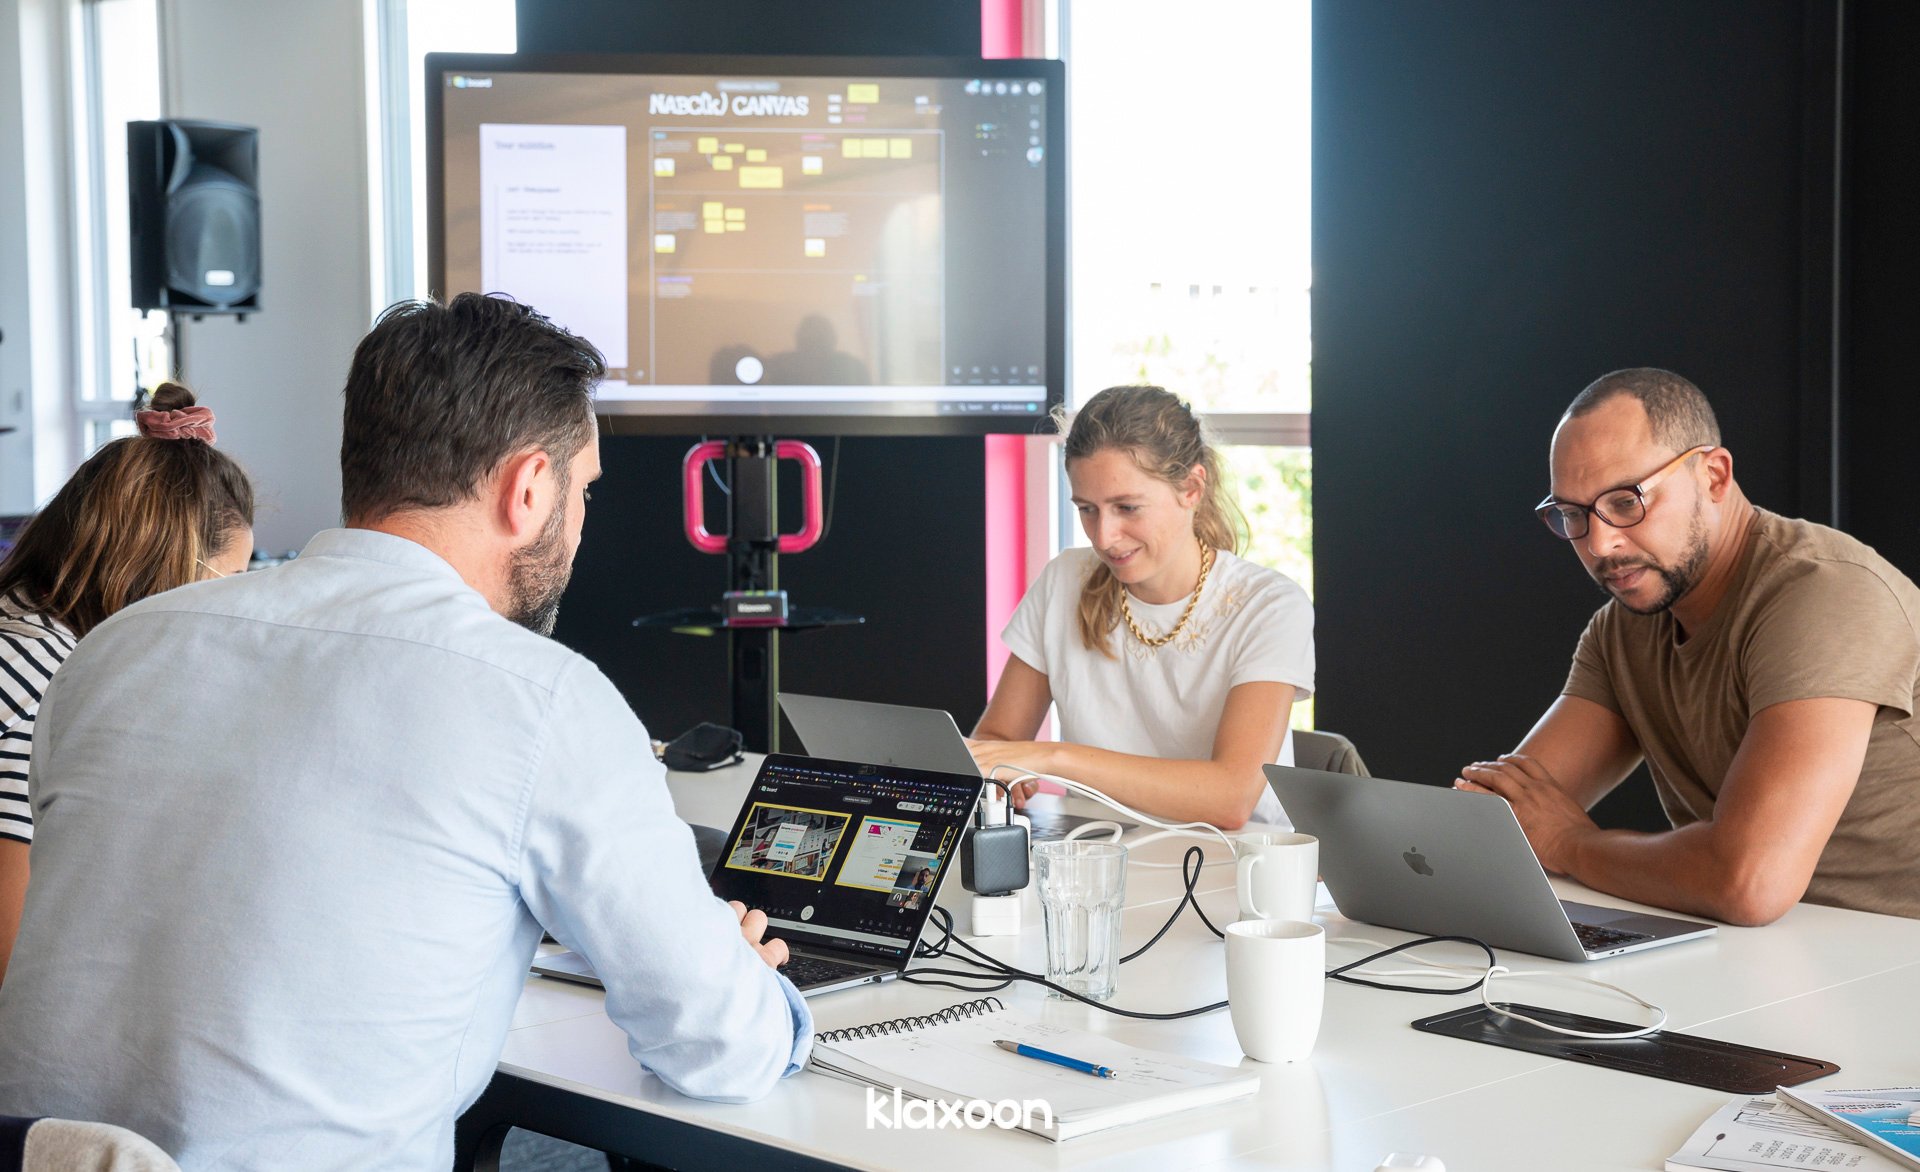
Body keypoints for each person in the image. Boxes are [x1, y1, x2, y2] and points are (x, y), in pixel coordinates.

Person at [0, 294, 810, 1168]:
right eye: (584, 492)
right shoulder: (540, 699)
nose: (580, 525)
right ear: (529, 488)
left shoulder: (115, 652)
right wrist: (740, 982)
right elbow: (720, 1048)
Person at [1456, 368, 1920, 925]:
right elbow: (1504, 820)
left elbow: (1748, 882)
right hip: (1764, 957)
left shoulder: (1824, 594)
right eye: (1573, 515)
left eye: (1626, 502)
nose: (1601, 544)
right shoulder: (1623, 632)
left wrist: (1571, 844)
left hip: (1894, 961)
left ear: (1714, 476)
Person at [969, 385, 1314, 830]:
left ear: (1191, 488)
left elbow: (1231, 797)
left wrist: (1051, 757)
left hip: (1231, 871)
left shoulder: (1269, 605)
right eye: (1087, 509)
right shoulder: (1063, 580)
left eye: (1127, 507)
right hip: (1094, 857)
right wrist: (1000, 777)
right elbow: (995, 742)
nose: (1103, 536)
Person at [0, 383, 253, 984]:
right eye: (230, 582)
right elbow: (13, 961)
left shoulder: (23, 625)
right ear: (160, 573)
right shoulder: (41, 685)